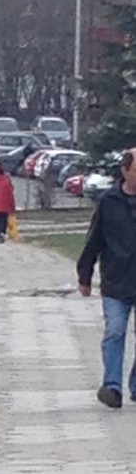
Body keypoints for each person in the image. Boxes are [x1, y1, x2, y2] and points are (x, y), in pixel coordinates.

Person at [77, 149, 136, 409]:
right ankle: (112, 387)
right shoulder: (109, 201)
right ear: (125, 170)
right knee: (115, 331)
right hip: (116, 279)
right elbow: (95, 239)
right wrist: (85, 273)